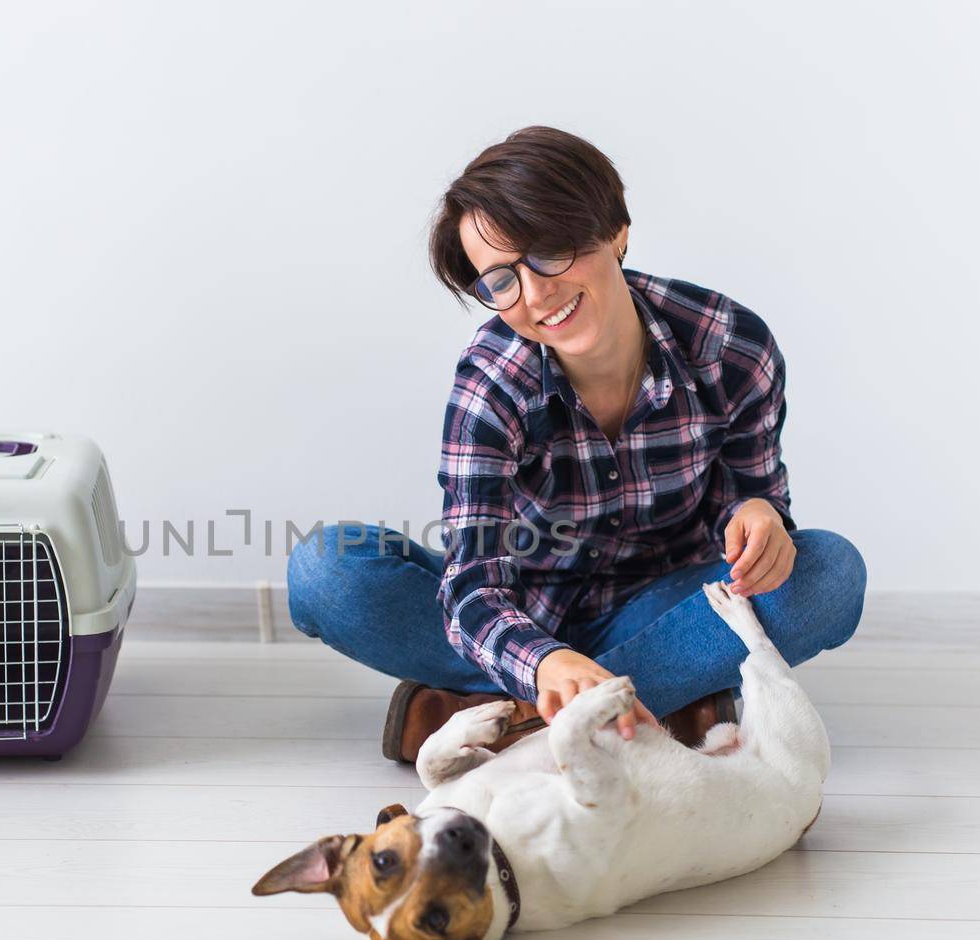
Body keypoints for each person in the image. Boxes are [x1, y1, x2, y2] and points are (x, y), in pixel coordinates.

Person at [287, 126, 866, 764]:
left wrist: (760, 518)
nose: (535, 295)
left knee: (828, 573)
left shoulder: (730, 343)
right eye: (500, 280)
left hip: (666, 607)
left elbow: (754, 498)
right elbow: (473, 580)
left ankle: (516, 725)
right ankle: (639, 705)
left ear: (616, 230)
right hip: (522, 612)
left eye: (549, 251)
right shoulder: (491, 380)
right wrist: (543, 661)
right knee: (327, 568)